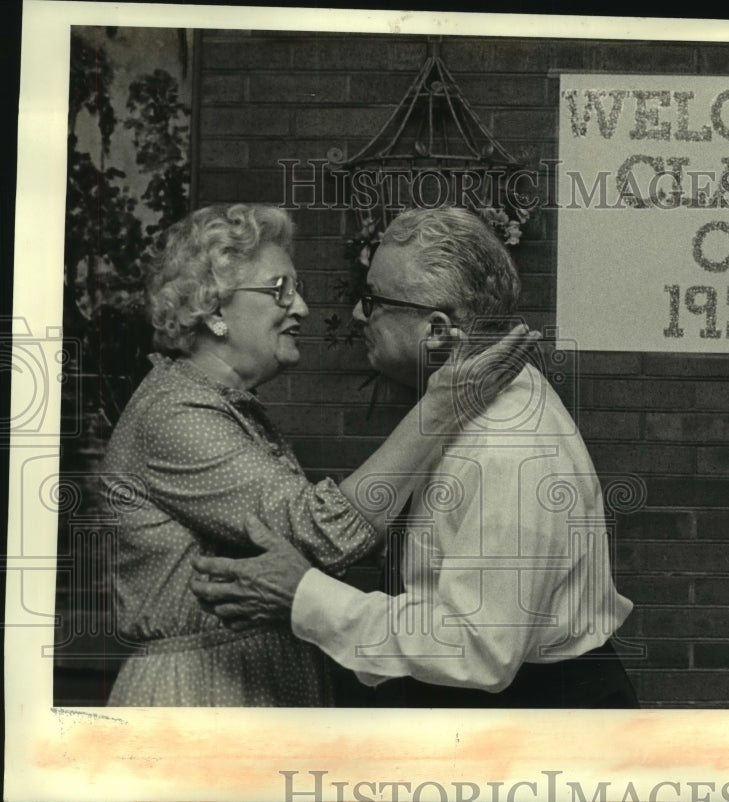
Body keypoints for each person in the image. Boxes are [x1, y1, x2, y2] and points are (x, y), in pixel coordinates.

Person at [192, 206, 638, 708]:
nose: (359, 314)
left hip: (539, 723)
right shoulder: (469, 407)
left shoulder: (507, 444)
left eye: (374, 300)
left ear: (438, 328)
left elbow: (477, 650)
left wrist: (307, 598)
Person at [101, 203, 536, 707]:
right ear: (215, 309)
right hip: (202, 698)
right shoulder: (175, 417)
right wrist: (441, 407)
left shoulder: (224, 408)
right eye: (279, 290)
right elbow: (324, 534)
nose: (302, 308)